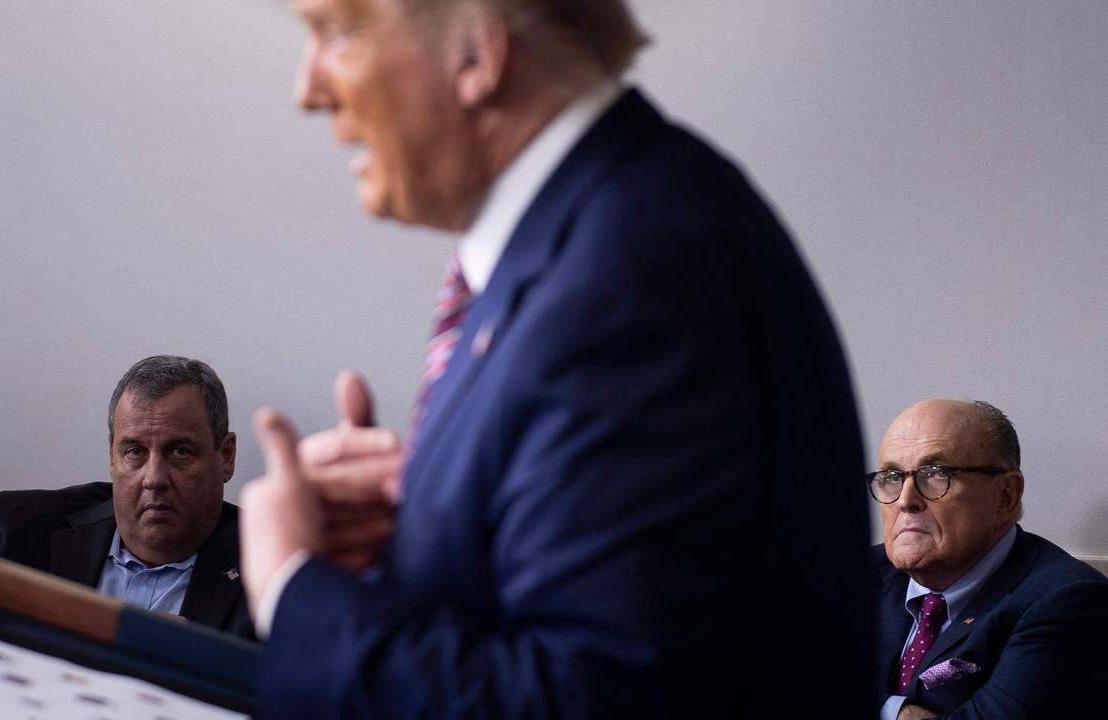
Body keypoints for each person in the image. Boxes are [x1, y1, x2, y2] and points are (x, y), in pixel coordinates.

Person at [239, 0, 875, 715]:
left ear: (477, 52)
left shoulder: (632, 275)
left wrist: (295, 591)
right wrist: (410, 526)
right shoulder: (605, 233)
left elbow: (594, 699)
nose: (308, 89)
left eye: (338, 32)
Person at [0, 355, 254, 639]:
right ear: (113, 457)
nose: (154, 479)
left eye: (180, 452)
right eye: (135, 452)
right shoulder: (9, 532)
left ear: (226, 457)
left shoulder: (276, 572)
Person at [871, 399, 1108, 719]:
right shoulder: (858, 573)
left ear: (1006, 496)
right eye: (892, 476)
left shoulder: (1070, 601)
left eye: (935, 474)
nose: (906, 500)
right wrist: (897, 711)